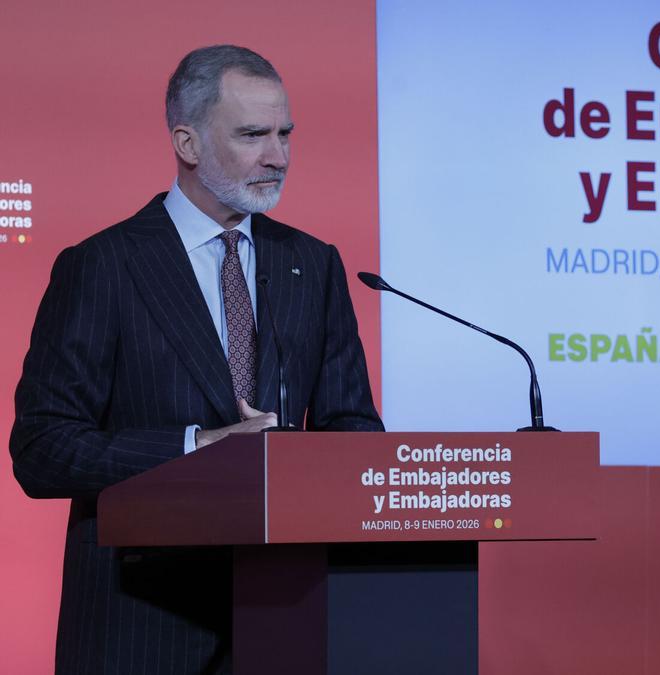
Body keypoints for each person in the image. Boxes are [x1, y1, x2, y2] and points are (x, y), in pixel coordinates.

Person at [9, 45, 383, 674]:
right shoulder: (103, 265)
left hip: (288, 618)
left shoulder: (313, 264)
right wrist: (199, 447)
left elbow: (354, 430)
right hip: (142, 628)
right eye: (253, 135)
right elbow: (42, 449)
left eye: (285, 133)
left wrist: (310, 463)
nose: (279, 156)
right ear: (187, 142)